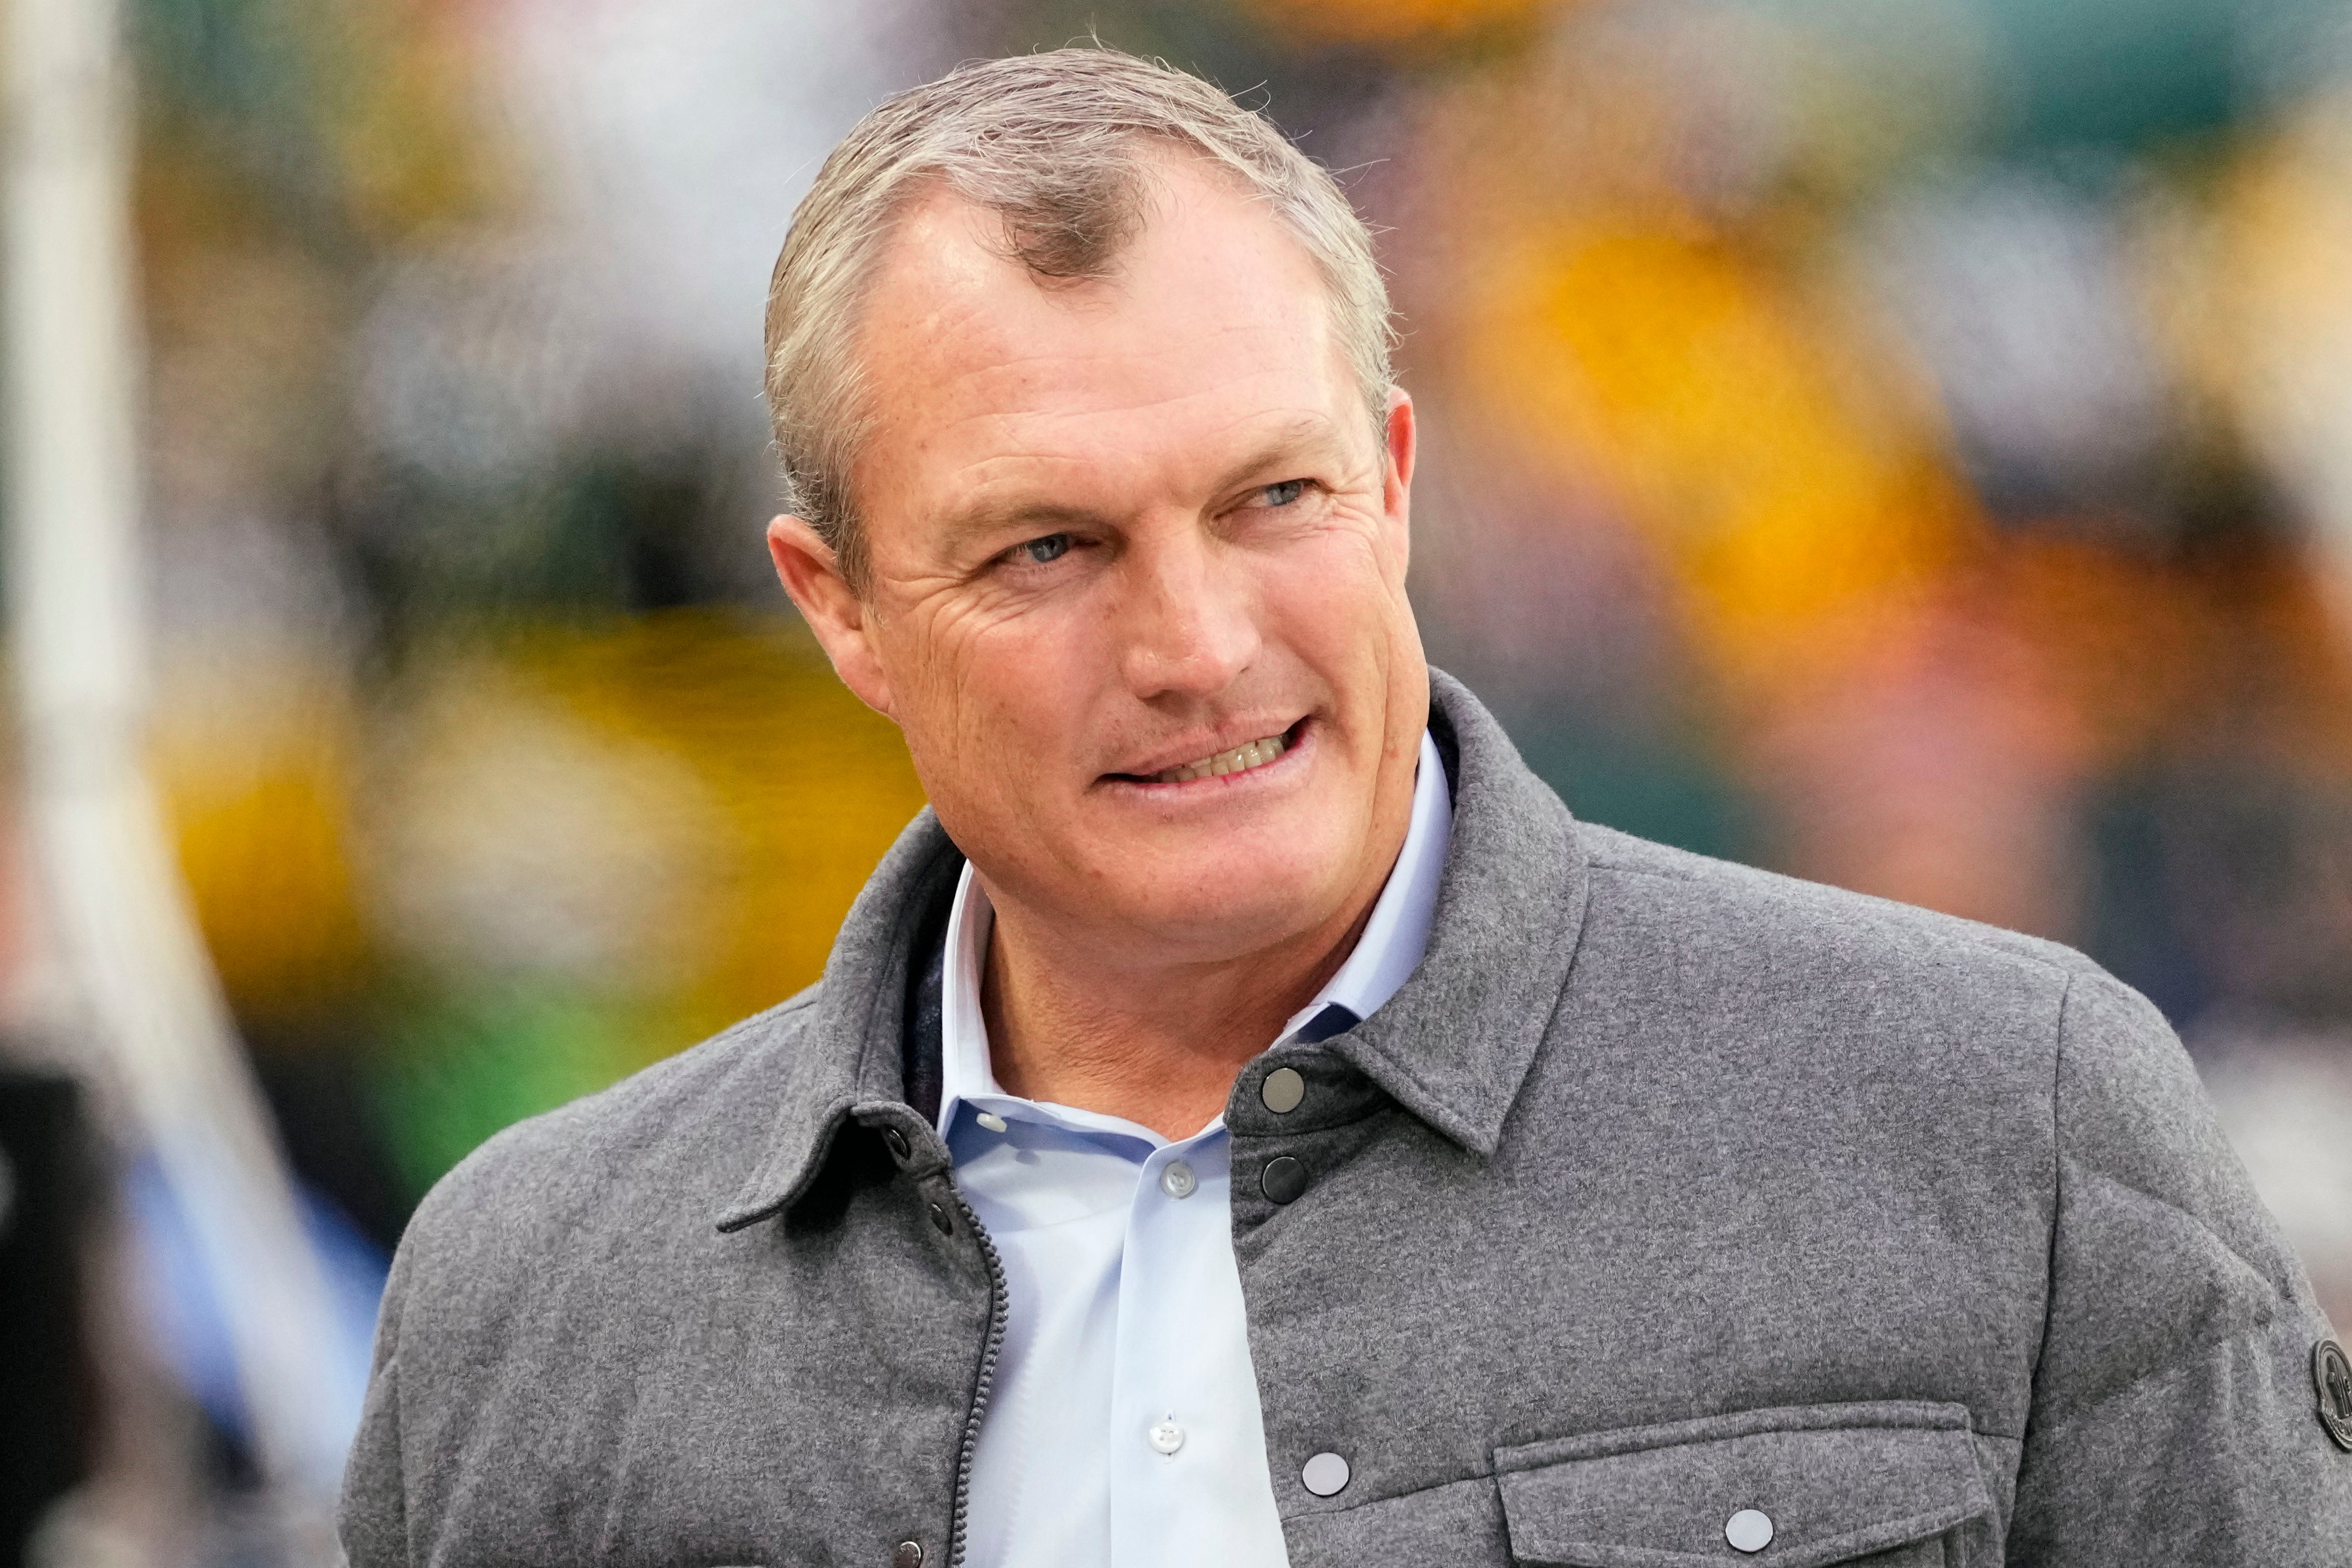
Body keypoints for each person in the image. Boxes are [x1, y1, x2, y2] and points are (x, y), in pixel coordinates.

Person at [339, 46, 2352, 1568]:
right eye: (1047, 549)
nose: (1199, 641)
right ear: (840, 605)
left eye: (1271, 498)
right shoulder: (531, 1301)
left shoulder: (2011, 1123)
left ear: (1394, 477)